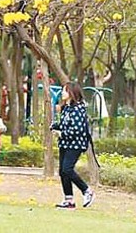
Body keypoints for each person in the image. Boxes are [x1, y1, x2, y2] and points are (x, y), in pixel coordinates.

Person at [52, 81, 95, 210]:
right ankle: (68, 200)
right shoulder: (66, 108)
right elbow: (65, 125)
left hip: (75, 144)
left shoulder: (78, 109)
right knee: (62, 172)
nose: (62, 93)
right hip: (65, 143)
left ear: (71, 93)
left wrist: (61, 133)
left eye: (65, 90)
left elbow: (76, 130)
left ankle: (86, 191)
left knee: (67, 169)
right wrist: (56, 126)